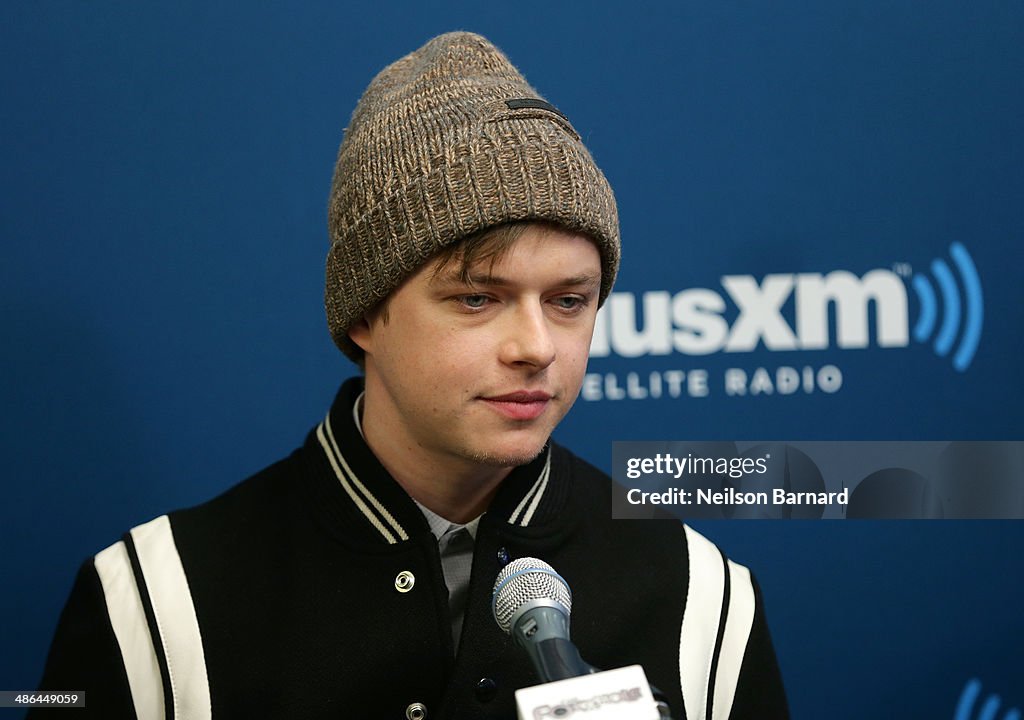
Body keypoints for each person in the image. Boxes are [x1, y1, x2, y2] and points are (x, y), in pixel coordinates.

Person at [34, 32, 788, 719]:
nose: (536, 346)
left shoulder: (699, 595)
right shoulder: (155, 605)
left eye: (568, 301)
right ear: (364, 314)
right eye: (477, 298)